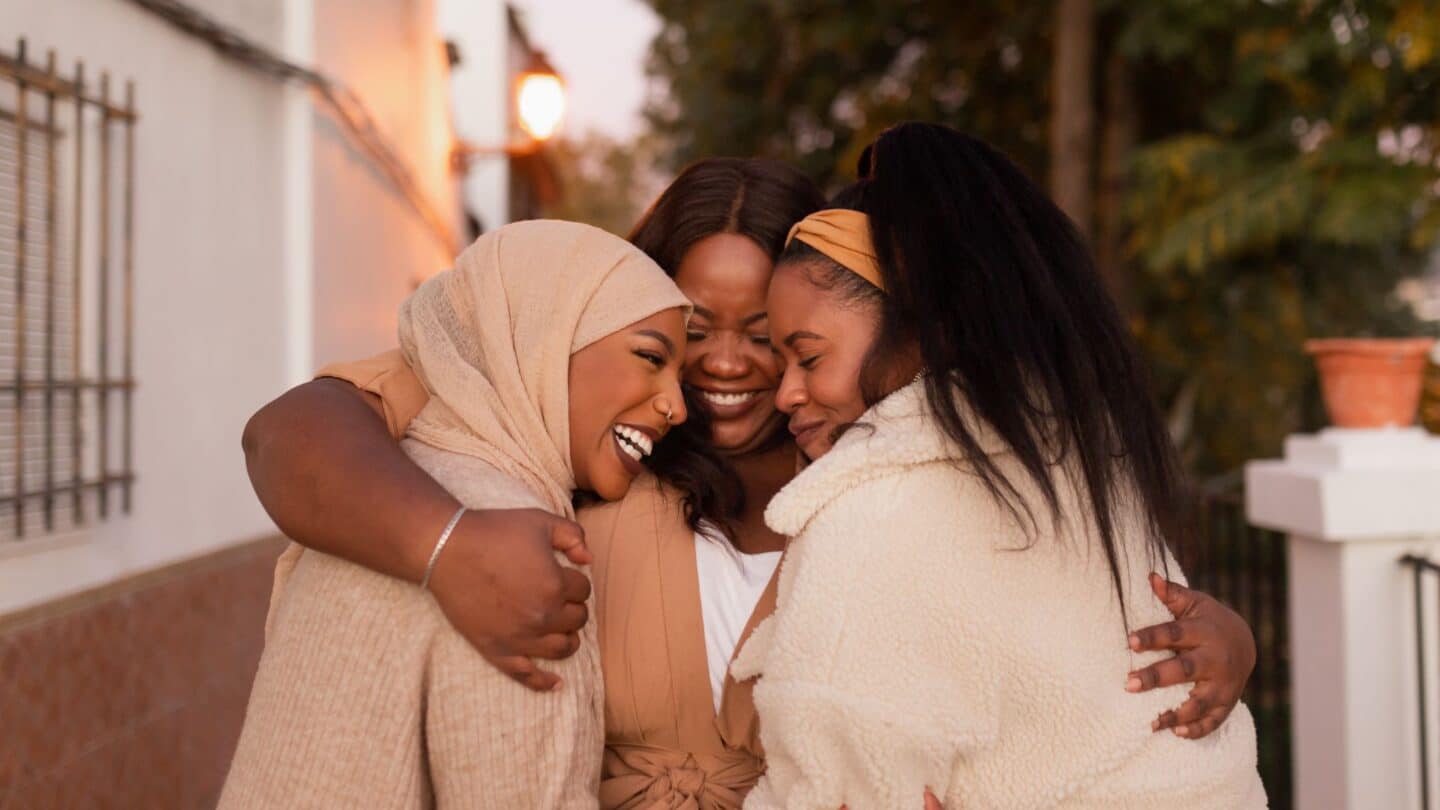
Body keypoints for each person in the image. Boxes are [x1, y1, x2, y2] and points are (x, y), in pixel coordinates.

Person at [240, 159, 1259, 808]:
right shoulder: (560, 449)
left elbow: (1045, 663)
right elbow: (293, 433)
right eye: (682, 329)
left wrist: (1206, 640)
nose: (724, 362)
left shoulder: (894, 494)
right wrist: (449, 544)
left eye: (772, 337)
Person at [734, 123, 1267, 808]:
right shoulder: (1074, 462)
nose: (784, 393)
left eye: (808, 357)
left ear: (918, 325)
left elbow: (829, 788)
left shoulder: (872, 519)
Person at [220, 220, 692, 808]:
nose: (678, 406)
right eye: (650, 357)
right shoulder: (518, 550)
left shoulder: (382, 485)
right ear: (541, 340)